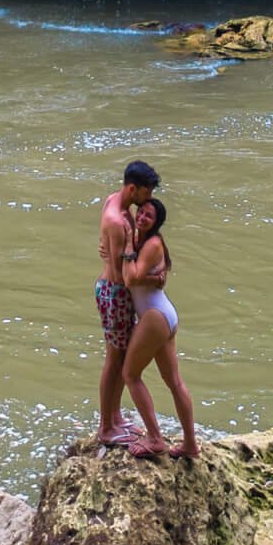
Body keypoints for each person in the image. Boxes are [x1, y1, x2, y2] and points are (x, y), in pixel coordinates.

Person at [122, 198, 200, 460]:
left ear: (156, 224)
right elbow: (141, 276)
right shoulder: (140, 240)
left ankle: (155, 438)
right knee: (174, 382)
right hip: (163, 315)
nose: (142, 217)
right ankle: (190, 445)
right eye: (141, 212)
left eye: (149, 216)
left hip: (156, 317)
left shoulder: (152, 243)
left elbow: (131, 277)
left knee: (130, 375)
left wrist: (125, 250)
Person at [95, 158, 158, 447]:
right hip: (115, 293)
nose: (150, 199)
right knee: (114, 359)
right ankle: (106, 427)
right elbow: (124, 275)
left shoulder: (113, 201)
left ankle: (116, 416)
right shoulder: (118, 221)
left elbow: (108, 249)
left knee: (120, 357)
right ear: (133, 189)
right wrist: (151, 275)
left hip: (111, 290)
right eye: (146, 193)